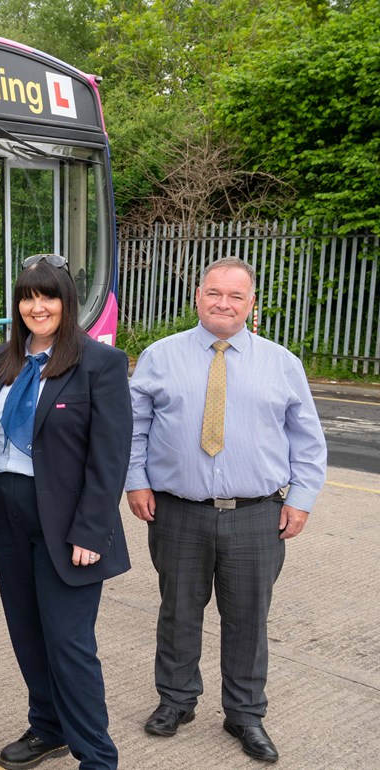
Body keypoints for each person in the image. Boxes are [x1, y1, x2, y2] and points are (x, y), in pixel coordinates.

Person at [126, 257, 326, 764]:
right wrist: (135, 482)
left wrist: (300, 499)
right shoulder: (159, 356)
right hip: (177, 511)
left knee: (248, 619)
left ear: (251, 303)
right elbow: (134, 427)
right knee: (178, 612)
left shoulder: (282, 363)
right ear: (197, 296)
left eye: (236, 296)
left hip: (257, 514)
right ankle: (175, 701)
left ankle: (244, 712)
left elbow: (307, 439)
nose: (224, 303)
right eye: (215, 292)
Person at [0, 254, 132, 770]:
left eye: (48, 295)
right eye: (28, 296)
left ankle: (97, 757)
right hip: (7, 517)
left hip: (67, 526)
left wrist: (91, 530)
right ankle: (48, 727)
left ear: (66, 302)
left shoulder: (100, 364)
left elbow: (110, 456)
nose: (38, 306)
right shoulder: (0, 359)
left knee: (69, 644)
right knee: (27, 634)